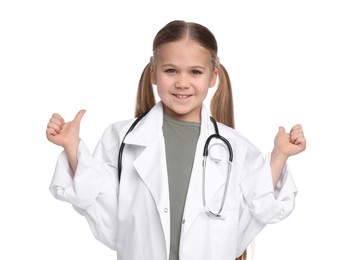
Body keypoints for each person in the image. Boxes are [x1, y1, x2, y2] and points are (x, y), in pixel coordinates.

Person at [46, 20, 306, 260]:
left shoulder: (235, 148)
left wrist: (279, 156)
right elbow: (108, 221)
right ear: (153, 73)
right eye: (171, 70)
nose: (182, 82)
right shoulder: (122, 139)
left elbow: (256, 210)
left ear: (213, 76)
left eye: (195, 72)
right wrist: (72, 148)